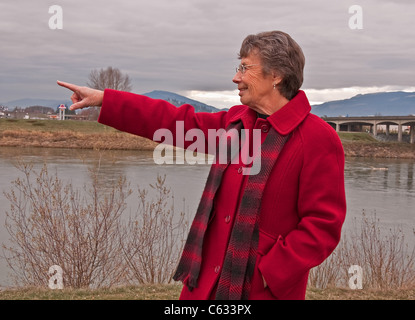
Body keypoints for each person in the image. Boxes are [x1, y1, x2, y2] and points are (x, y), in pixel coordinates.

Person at [57, 30, 346, 300]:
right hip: (205, 284)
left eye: (245, 68)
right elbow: (172, 122)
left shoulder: (318, 139)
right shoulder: (236, 124)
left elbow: (322, 227)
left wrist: (269, 272)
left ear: (277, 76)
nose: (236, 77)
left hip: (259, 290)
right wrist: (105, 99)